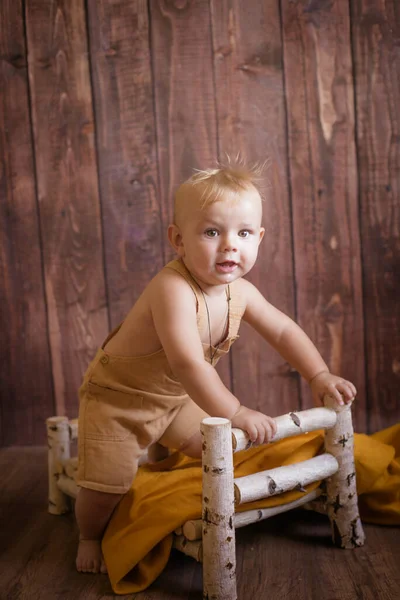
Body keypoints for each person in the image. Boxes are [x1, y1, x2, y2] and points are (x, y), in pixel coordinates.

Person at [75, 159, 357, 573]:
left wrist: (318, 373)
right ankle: (89, 536)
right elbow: (189, 364)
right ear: (178, 240)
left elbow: (282, 330)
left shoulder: (239, 291)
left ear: (259, 238)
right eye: (211, 232)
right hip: (119, 402)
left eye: (243, 233)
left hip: (174, 400)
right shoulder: (172, 289)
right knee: (104, 486)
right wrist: (237, 411)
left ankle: (182, 495)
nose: (230, 245)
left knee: (214, 450)